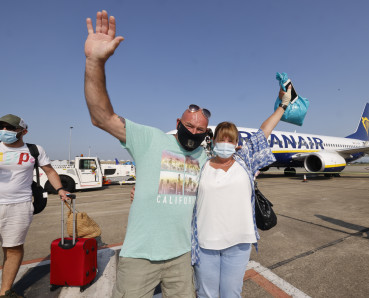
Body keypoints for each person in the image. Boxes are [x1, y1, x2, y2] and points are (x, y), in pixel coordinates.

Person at [84, 10, 210, 297]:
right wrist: (95, 62)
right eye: (188, 125)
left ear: (206, 133)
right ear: (178, 124)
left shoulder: (204, 157)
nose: (193, 132)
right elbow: (101, 117)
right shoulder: (150, 138)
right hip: (140, 256)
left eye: (200, 129)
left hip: (182, 257)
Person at [191, 87, 292, 297]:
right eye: (221, 139)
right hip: (205, 245)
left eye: (230, 140)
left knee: (232, 293)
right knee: (205, 294)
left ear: (237, 143)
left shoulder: (245, 160)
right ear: (213, 140)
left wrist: (283, 105)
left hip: (238, 244)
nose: (225, 144)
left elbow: (264, 130)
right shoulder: (201, 164)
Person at [0, 114, 70, 298]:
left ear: (23, 131)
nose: (4, 131)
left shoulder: (34, 150)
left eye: (10, 127)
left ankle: (5, 291)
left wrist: (61, 190)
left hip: (20, 206)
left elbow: (49, 171)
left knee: (13, 247)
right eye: (2, 127)